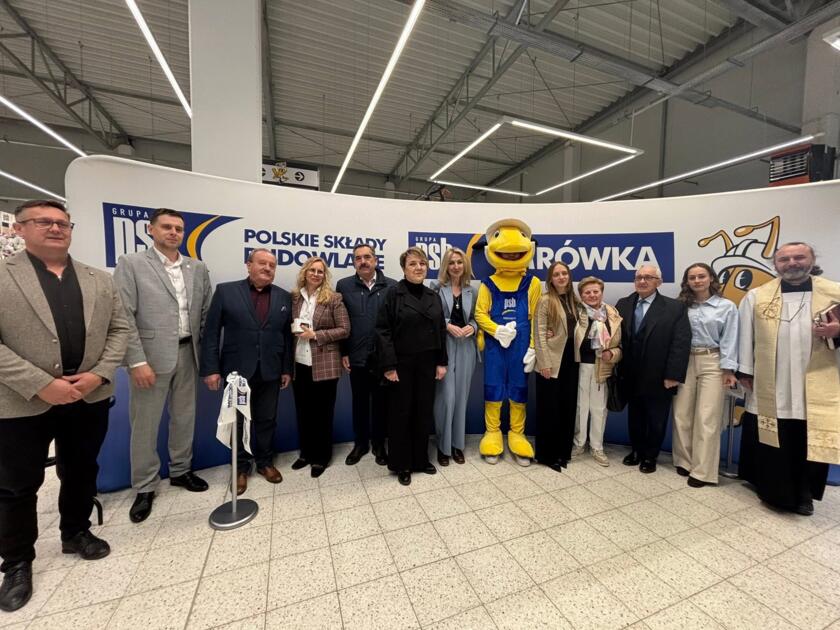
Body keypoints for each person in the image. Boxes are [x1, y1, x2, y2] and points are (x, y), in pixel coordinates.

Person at [0, 200, 129, 612]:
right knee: (17, 485)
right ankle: (16, 562)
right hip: (21, 401)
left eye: (62, 223)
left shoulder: (98, 279)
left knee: (81, 468)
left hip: (88, 395)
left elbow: (120, 329)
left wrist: (99, 374)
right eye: (44, 222)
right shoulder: (3, 275)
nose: (55, 228)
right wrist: (41, 384)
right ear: (19, 228)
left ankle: (76, 532)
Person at [114, 208, 213, 523]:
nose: (173, 233)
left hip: (189, 353)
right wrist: (136, 360)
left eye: (178, 229)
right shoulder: (131, 264)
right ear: (151, 230)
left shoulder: (197, 268)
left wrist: (206, 356)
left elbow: (206, 313)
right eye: (167, 227)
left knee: (184, 417)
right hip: (150, 359)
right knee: (145, 424)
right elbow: (123, 316)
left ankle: (181, 471)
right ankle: (145, 486)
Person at [738, 242, 840, 516]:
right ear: (775, 264)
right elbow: (745, 335)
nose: (792, 263)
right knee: (773, 437)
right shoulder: (757, 296)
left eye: (799, 257)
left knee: (807, 438)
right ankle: (771, 490)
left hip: (815, 380)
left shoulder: (835, 293)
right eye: (784, 259)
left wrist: (838, 331)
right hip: (772, 379)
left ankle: (805, 493)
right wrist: (745, 370)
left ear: (812, 260)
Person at [200, 249, 293, 495]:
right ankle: (240, 467)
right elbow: (211, 332)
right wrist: (211, 368)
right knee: (238, 421)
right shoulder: (226, 291)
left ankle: (264, 462)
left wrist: (286, 369)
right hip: (237, 373)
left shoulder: (283, 297)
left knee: (266, 419)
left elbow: (286, 336)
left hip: (271, 370)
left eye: (272, 265)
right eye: (262, 263)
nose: (267, 268)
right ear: (248, 265)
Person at [376, 247, 447, 485]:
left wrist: (441, 361)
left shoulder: (433, 295)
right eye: (413, 264)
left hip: (427, 363)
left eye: (422, 264)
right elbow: (383, 331)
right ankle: (402, 463)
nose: (418, 268)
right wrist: (388, 365)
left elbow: (440, 330)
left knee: (423, 411)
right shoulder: (393, 294)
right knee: (401, 413)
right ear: (404, 269)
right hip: (401, 364)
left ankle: (420, 459)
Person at [615, 265, 691, 473]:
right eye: (639, 277)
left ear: (659, 281)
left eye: (648, 277)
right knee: (635, 416)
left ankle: (650, 456)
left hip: (660, 375)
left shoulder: (674, 308)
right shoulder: (623, 304)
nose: (642, 281)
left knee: (656, 418)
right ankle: (637, 451)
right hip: (630, 373)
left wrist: (673, 374)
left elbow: (681, 343)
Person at [672, 263, 738, 487]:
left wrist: (728, 369)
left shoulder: (726, 307)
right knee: (681, 413)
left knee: (707, 416)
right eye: (692, 277)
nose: (697, 281)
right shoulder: (681, 306)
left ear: (711, 278)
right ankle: (684, 460)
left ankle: (703, 471)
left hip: (713, 361)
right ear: (687, 282)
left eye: (701, 276)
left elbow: (730, 339)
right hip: (684, 361)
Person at [290, 256, 351, 478]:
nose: (316, 274)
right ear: (305, 272)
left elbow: (344, 329)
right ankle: (305, 454)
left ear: (325, 276)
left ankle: (321, 457)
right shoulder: (295, 298)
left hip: (325, 364)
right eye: (312, 270)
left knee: (323, 414)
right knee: (303, 412)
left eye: (320, 271)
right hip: (300, 363)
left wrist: (315, 334)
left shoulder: (333, 298)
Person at [337, 244, 396, 466]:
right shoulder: (344, 286)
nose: (363, 261)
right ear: (354, 262)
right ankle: (360, 444)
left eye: (367, 257)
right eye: (358, 258)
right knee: (359, 403)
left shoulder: (392, 286)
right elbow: (341, 321)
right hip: (357, 355)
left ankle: (379, 444)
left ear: (375, 260)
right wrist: (344, 351)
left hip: (382, 358)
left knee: (381, 404)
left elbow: (395, 324)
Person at [432, 247, 478, 466]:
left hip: (467, 346)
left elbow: (477, 318)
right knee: (446, 398)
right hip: (445, 346)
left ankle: (457, 444)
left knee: (461, 398)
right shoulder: (436, 288)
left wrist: (472, 327)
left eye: (459, 262)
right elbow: (430, 317)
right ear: (446, 266)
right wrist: (447, 325)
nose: (456, 266)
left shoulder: (472, 290)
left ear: (465, 265)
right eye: (451, 262)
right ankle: (443, 445)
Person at [533, 261, 580, 471]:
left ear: (569, 276)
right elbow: (539, 333)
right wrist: (544, 363)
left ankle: (563, 453)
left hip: (571, 359)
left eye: (564, 273)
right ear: (551, 279)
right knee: (549, 409)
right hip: (551, 361)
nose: (561, 277)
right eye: (556, 274)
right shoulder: (545, 300)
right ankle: (547, 455)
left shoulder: (573, 301)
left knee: (567, 407)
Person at [573, 276, 622, 467]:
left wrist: (613, 354)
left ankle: (597, 447)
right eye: (587, 292)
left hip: (602, 366)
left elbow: (622, 345)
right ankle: (579, 443)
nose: (592, 295)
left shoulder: (613, 313)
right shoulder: (575, 313)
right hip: (580, 366)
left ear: (602, 292)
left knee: (599, 409)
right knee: (580, 407)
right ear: (581, 295)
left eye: (596, 291)